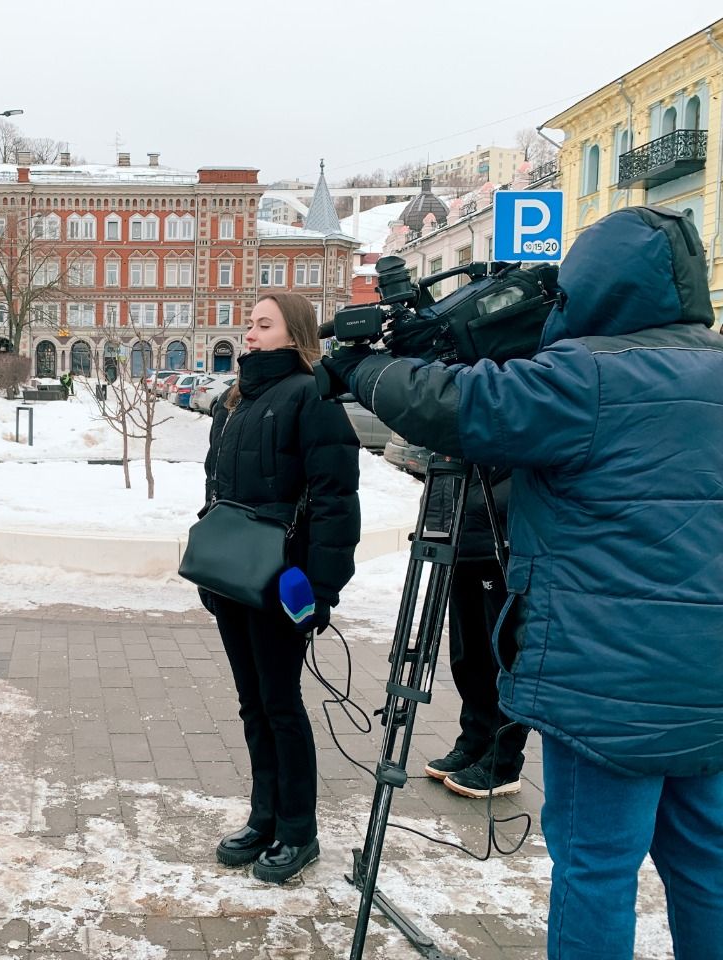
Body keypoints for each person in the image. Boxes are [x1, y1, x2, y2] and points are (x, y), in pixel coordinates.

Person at [321, 206, 723, 958]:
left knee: (598, 869)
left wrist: (364, 369)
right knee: (705, 866)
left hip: (608, 683)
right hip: (711, 688)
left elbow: (456, 407)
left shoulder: (587, 379)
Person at [202, 293, 360, 884]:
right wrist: (208, 549)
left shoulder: (312, 396)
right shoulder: (235, 399)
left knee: (281, 704)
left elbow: (335, 501)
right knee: (252, 703)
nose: (249, 333)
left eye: (263, 324)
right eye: (248, 323)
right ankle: (263, 816)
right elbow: (214, 484)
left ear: (293, 336)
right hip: (233, 576)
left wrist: (321, 587)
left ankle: (298, 831)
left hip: (285, 580)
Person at [421, 467, 531, 798]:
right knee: (468, 658)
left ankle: (503, 761)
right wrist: (437, 533)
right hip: (462, 550)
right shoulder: (459, 442)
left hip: (501, 554)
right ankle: (474, 741)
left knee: (504, 658)